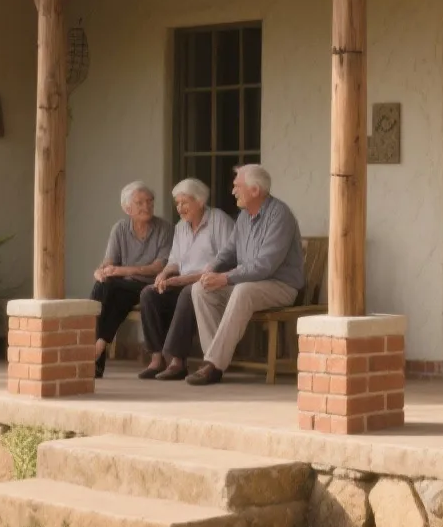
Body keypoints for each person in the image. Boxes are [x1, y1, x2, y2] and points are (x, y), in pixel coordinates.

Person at [186, 164, 304, 386]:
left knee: (242, 290)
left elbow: (265, 266)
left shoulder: (280, 215)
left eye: (237, 186)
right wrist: (210, 270)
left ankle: (214, 364)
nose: (232, 192)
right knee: (200, 289)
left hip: (280, 286)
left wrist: (225, 277)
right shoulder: (243, 217)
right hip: (251, 283)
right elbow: (228, 252)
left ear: (255, 190)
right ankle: (214, 362)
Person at [136, 178, 235, 380]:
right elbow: (174, 261)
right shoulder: (181, 227)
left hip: (211, 285)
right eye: (177, 203)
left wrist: (184, 280)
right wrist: (164, 274)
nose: (180, 208)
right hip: (184, 283)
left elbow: (226, 262)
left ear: (199, 201)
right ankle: (156, 359)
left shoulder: (219, 220)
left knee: (188, 292)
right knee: (149, 294)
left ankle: (177, 361)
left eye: (184, 203)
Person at [89, 181, 171, 378]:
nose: (147, 206)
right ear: (127, 208)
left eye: (149, 202)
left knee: (110, 292)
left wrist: (118, 270)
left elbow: (158, 267)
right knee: (103, 286)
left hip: (150, 285)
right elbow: (109, 262)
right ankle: (99, 347)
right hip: (123, 287)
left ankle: (96, 353)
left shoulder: (164, 229)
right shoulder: (120, 229)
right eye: (140, 203)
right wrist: (101, 271)